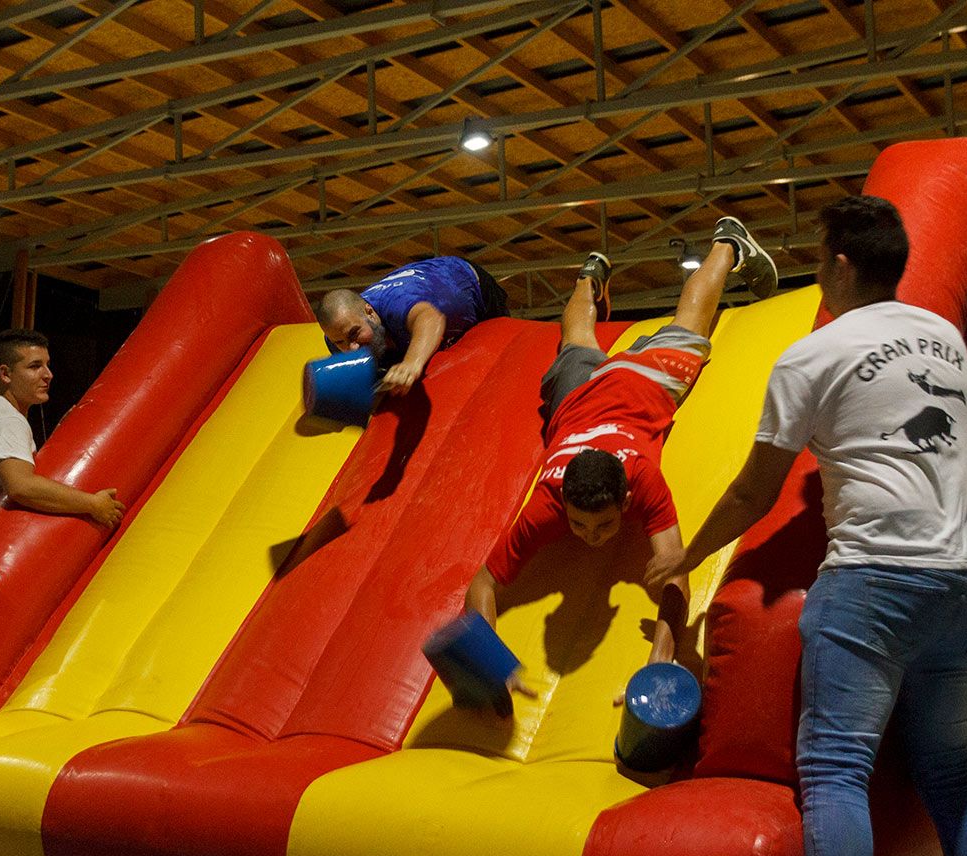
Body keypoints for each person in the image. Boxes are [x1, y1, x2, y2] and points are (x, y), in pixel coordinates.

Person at [664, 196, 967, 856]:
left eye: (816, 255)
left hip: (874, 582)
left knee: (834, 772)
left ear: (837, 263)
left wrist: (682, 558)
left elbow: (755, 490)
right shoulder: (943, 339)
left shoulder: (812, 353)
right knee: (953, 776)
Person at [464, 218, 777, 691]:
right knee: (594, 338)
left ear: (626, 498)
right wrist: (492, 664)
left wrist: (660, 656)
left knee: (671, 325)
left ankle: (721, 246)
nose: (591, 537)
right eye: (579, 525)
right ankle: (609, 272)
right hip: (585, 398)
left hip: (639, 383)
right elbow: (481, 585)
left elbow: (675, 570)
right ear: (562, 501)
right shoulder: (547, 502)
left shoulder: (642, 477)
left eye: (604, 525)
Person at [0, 329, 124, 595]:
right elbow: (21, 486)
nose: (48, 374)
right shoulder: (7, 420)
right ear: (6, 374)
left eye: (47, 365)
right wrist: (92, 504)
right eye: (34, 366)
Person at [316, 256, 509, 395]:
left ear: (369, 312)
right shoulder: (337, 336)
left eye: (354, 334)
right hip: (403, 313)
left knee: (504, 356)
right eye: (340, 342)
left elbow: (430, 318)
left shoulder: (397, 303)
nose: (352, 347)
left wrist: (411, 363)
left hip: (469, 284)